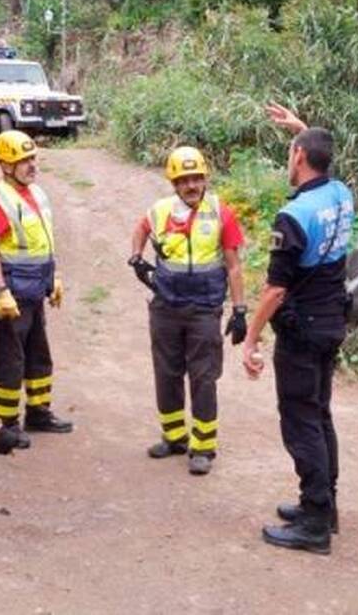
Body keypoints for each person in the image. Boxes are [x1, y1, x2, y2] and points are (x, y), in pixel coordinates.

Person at [242, 103, 354, 555]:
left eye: (292, 152)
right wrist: (304, 131)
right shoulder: (341, 194)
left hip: (302, 330)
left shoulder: (294, 217)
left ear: (297, 158)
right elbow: (321, 159)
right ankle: (326, 506)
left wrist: (250, 339)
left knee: (301, 420)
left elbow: (274, 291)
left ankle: (314, 523)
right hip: (332, 323)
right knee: (319, 413)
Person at [128, 146, 247, 476]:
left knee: (204, 376)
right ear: (173, 182)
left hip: (204, 308)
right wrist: (136, 256)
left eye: (196, 178)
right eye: (184, 180)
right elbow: (140, 228)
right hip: (166, 304)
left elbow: (234, 266)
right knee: (166, 372)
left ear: (205, 177)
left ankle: (203, 446)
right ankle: (174, 437)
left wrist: (239, 310)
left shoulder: (221, 212)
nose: (191, 185)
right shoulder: (160, 210)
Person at [0, 130, 73, 449]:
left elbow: (44, 241)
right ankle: (5, 424)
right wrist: (0, 289)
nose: (31, 165)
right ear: (5, 165)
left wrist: (53, 277)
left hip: (35, 288)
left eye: (32, 158)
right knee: (9, 359)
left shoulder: (38, 194)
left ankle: (38, 412)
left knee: (38, 354)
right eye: (23, 160)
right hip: (12, 292)